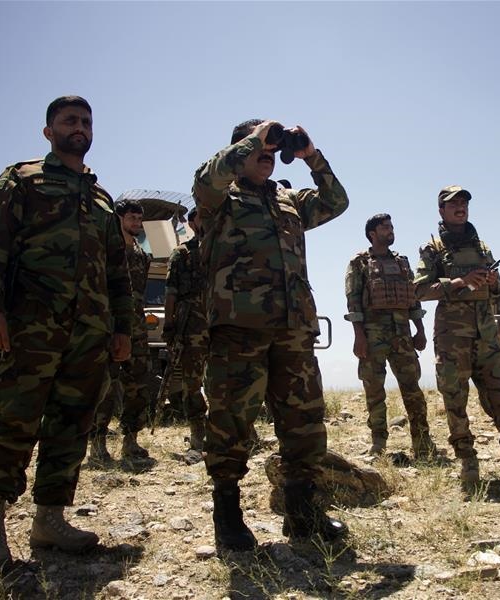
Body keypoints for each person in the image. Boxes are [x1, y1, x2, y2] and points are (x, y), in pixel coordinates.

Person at [0, 95, 132, 573]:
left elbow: (117, 272)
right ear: (49, 131)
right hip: (31, 325)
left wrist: (122, 327)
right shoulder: (22, 179)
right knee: (15, 419)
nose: (79, 127)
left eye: (86, 121)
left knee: (72, 423)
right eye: (69, 120)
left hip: (89, 332)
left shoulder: (101, 198)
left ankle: (49, 519)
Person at [192, 118, 348, 550]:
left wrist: (311, 155)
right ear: (241, 149)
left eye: (272, 149)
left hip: (293, 329)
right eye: (259, 148)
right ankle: (227, 516)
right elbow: (207, 178)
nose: (267, 154)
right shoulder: (218, 197)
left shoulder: (288, 199)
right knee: (231, 423)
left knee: (304, 422)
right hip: (239, 329)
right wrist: (255, 138)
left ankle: (302, 513)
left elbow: (336, 201)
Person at [414, 185, 500, 492]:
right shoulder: (432, 248)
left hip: (487, 337)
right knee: (455, 399)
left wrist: (492, 283)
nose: (460, 207)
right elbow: (419, 290)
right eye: (453, 203)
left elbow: (498, 292)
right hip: (452, 339)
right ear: (441, 210)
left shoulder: (482, 247)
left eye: (464, 203)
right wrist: (459, 282)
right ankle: (468, 464)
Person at [344, 213, 437, 458]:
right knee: (374, 390)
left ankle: (422, 442)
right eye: (385, 227)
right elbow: (353, 301)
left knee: (412, 389)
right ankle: (378, 442)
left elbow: (413, 299)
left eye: (391, 226)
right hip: (372, 336)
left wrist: (420, 330)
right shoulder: (359, 263)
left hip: (402, 336)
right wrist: (359, 336)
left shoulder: (402, 262)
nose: (391, 230)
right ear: (372, 234)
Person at [90, 198, 153, 462]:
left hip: (136, 327)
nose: (137, 223)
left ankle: (131, 441)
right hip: (110, 325)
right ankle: (97, 444)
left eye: (139, 219)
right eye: (131, 218)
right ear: (118, 219)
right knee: (105, 386)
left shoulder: (141, 254)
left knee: (138, 385)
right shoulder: (106, 251)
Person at [162, 206, 208, 452]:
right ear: (191, 223)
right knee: (192, 382)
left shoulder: (222, 248)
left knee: (226, 380)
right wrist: (169, 325)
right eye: (201, 217)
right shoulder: (181, 254)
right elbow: (170, 292)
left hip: (221, 322)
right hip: (191, 325)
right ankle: (198, 431)